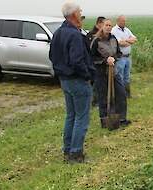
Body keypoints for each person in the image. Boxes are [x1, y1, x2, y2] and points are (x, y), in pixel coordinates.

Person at [49, 1, 95, 164]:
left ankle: (67, 149)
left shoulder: (59, 33)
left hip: (65, 80)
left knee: (71, 116)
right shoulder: (74, 34)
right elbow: (77, 61)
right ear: (74, 15)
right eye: (80, 12)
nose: (81, 16)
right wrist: (88, 75)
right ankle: (75, 153)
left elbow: (52, 57)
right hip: (77, 80)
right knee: (81, 117)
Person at [91, 19, 130, 129]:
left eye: (110, 25)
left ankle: (121, 119)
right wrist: (105, 60)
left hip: (114, 71)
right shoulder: (96, 40)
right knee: (103, 97)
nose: (108, 27)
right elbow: (92, 58)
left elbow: (118, 52)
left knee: (121, 94)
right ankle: (104, 120)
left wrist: (114, 58)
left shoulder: (113, 38)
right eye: (106, 25)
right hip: (101, 73)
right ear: (102, 26)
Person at [111, 15, 137, 98]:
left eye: (125, 21)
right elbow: (120, 43)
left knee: (127, 77)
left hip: (128, 57)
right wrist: (129, 41)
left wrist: (125, 41)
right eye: (123, 21)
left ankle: (127, 94)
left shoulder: (126, 29)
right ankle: (120, 95)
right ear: (118, 21)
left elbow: (134, 39)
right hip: (120, 58)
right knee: (120, 77)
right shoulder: (114, 30)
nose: (124, 22)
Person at [87, 16, 106, 107]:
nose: (106, 26)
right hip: (94, 63)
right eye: (104, 24)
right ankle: (94, 102)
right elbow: (90, 51)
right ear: (99, 24)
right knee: (95, 83)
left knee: (101, 83)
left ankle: (100, 100)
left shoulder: (104, 34)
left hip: (102, 63)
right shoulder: (92, 35)